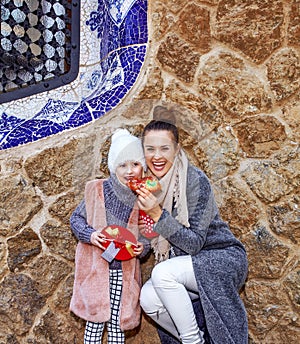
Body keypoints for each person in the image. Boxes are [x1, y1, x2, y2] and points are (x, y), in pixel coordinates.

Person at [137, 106, 248, 344]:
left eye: (164, 148)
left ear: (177, 150)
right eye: (150, 149)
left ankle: (191, 341)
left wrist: (157, 213)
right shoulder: (148, 187)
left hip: (220, 258)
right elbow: (147, 237)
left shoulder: (194, 180)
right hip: (185, 270)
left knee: (162, 273)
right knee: (148, 298)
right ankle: (198, 338)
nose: (157, 156)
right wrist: (136, 246)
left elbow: (195, 243)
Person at [69, 129, 150, 344]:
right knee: (94, 324)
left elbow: (147, 234)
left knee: (117, 326)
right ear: (114, 167)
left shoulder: (144, 198)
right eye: (123, 165)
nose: (129, 171)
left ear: (143, 166)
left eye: (135, 164)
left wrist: (143, 247)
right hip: (97, 270)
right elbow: (76, 219)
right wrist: (90, 234)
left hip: (123, 272)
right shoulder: (97, 190)